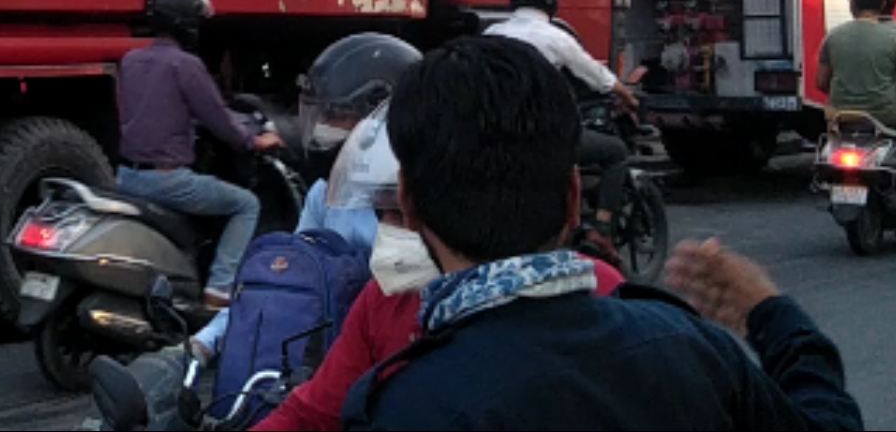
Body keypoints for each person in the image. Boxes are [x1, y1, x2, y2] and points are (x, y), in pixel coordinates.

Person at [341, 36, 862, 430]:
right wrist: (773, 315)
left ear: (407, 204)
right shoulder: (689, 348)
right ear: (573, 195)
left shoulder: (399, 404)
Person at [254, 99, 624, 432]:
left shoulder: (595, 290)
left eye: (400, 214)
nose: (390, 231)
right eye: (380, 213)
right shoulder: (385, 300)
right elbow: (311, 413)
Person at [189, 33, 421, 362]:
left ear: (382, 119)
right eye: (321, 116)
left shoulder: (428, 199)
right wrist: (206, 340)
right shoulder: (323, 194)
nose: (323, 129)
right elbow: (290, 279)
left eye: (336, 116)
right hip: (331, 357)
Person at [116, 0, 280, 308]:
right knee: (246, 204)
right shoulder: (186, 66)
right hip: (167, 181)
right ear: (185, 21)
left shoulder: (130, 61)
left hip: (126, 176)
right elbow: (219, 119)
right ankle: (219, 290)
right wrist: (255, 142)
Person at [485, 0, 637, 243]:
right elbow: (597, 75)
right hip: (543, 136)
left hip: (498, 135)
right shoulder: (555, 37)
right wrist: (628, 95)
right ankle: (601, 229)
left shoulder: (491, 33)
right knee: (615, 152)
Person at [816, 0, 896, 131]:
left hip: (840, 115)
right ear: (882, 4)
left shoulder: (833, 36)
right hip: (886, 116)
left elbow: (821, 82)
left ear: (852, 4)